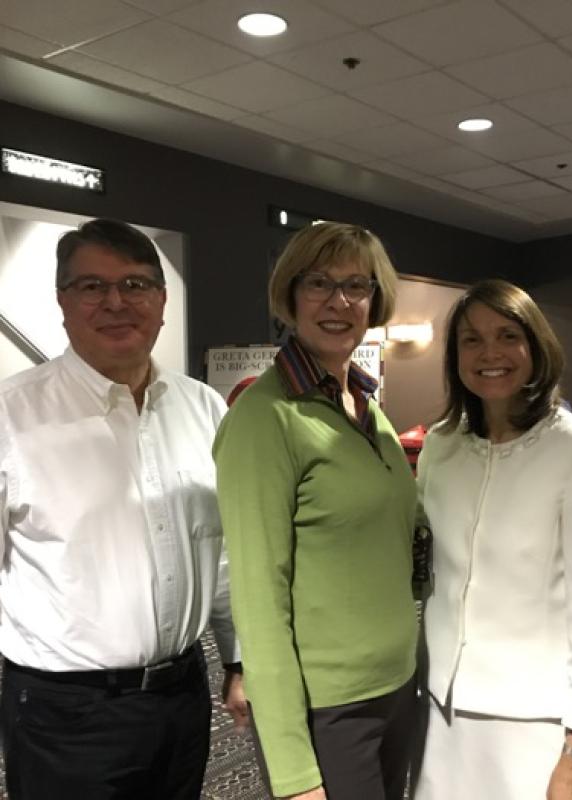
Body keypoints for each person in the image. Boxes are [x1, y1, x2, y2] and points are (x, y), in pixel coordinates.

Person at [0, 218, 247, 800]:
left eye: (136, 285)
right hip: (66, 714)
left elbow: (223, 554)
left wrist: (238, 659)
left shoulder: (203, 407)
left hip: (182, 694)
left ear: (162, 301)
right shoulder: (12, 415)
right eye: (92, 286)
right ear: (63, 301)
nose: (116, 302)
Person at [214, 222, 418, 800]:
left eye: (358, 285)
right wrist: (294, 773)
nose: (340, 301)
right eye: (319, 283)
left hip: (395, 686)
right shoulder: (264, 418)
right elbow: (259, 598)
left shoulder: (363, 402)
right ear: (290, 294)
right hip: (329, 707)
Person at [413, 279, 572, 800]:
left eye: (507, 336)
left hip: (537, 726)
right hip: (439, 712)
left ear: (536, 347)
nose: (490, 353)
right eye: (471, 339)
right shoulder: (439, 447)